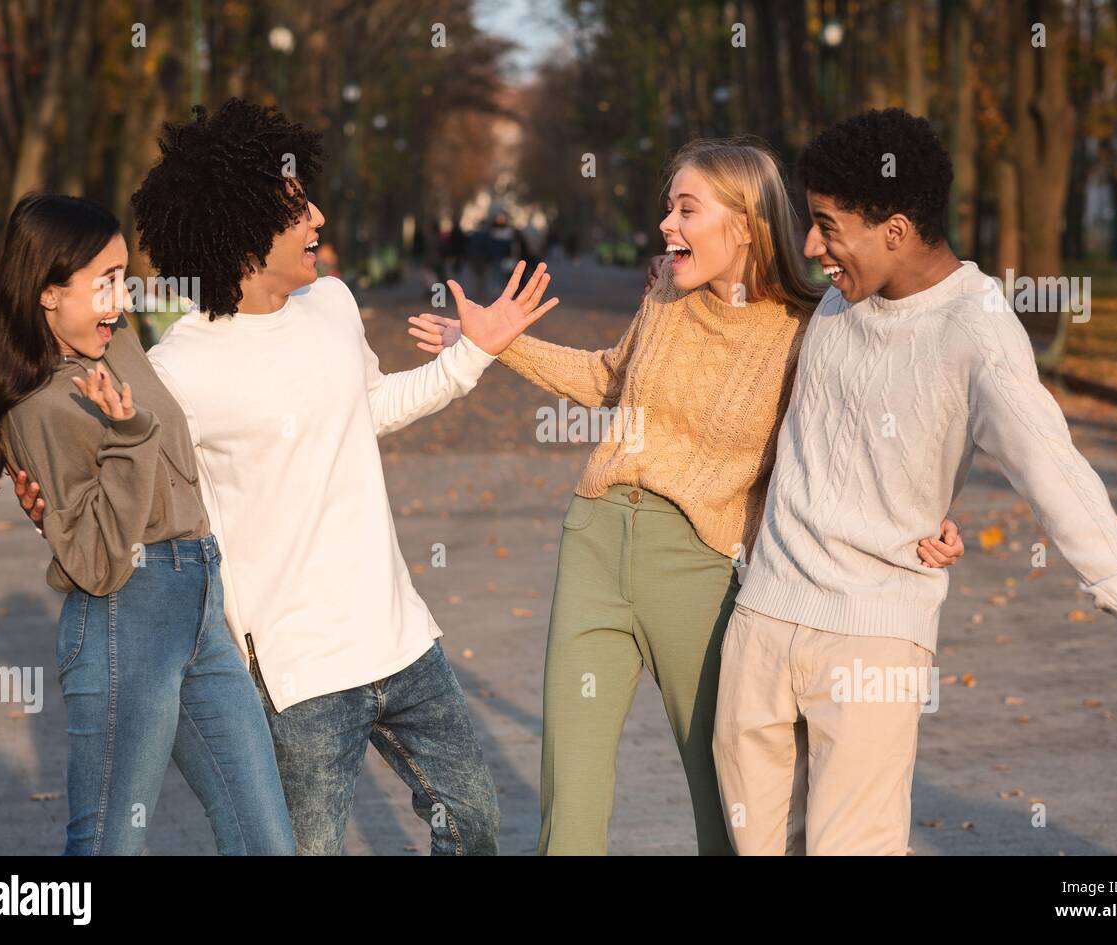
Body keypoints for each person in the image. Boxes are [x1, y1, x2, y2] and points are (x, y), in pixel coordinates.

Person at [14, 99, 560, 855]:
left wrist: (472, 357)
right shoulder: (179, 368)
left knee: (474, 824)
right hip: (296, 675)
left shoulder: (333, 303)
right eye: (300, 209)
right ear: (244, 229)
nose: (321, 220)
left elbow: (369, 407)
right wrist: (51, 504)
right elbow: (159, 507)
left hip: (400, 637)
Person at [408, 137, 965, 855]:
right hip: (596, 545)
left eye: (686, 209)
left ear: (743, 223)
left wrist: (932, 518)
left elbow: (863, 440)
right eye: (668, 208)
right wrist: (494, 344)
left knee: (730, 803)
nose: (667, 224)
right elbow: (612, 376)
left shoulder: (808, 330)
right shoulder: (667, 293)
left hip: (700, 570)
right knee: (570, 796)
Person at [711, 108, 1117, 856]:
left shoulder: (977, 330)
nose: (811, 246)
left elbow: (1052, 467)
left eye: (827, 225)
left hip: (873, 641)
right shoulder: (838, 301)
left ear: (894, 230)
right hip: (762, 623)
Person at [0, 193, 295, 855]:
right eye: (104, 282)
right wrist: (129, 437)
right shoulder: (41, 406)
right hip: (126, 619)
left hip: (199, 603)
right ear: (47, 293)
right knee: (106, 843)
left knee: (264, 839)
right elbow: (98, 560)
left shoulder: (118, 346)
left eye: (124, 276)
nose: (121, 298)